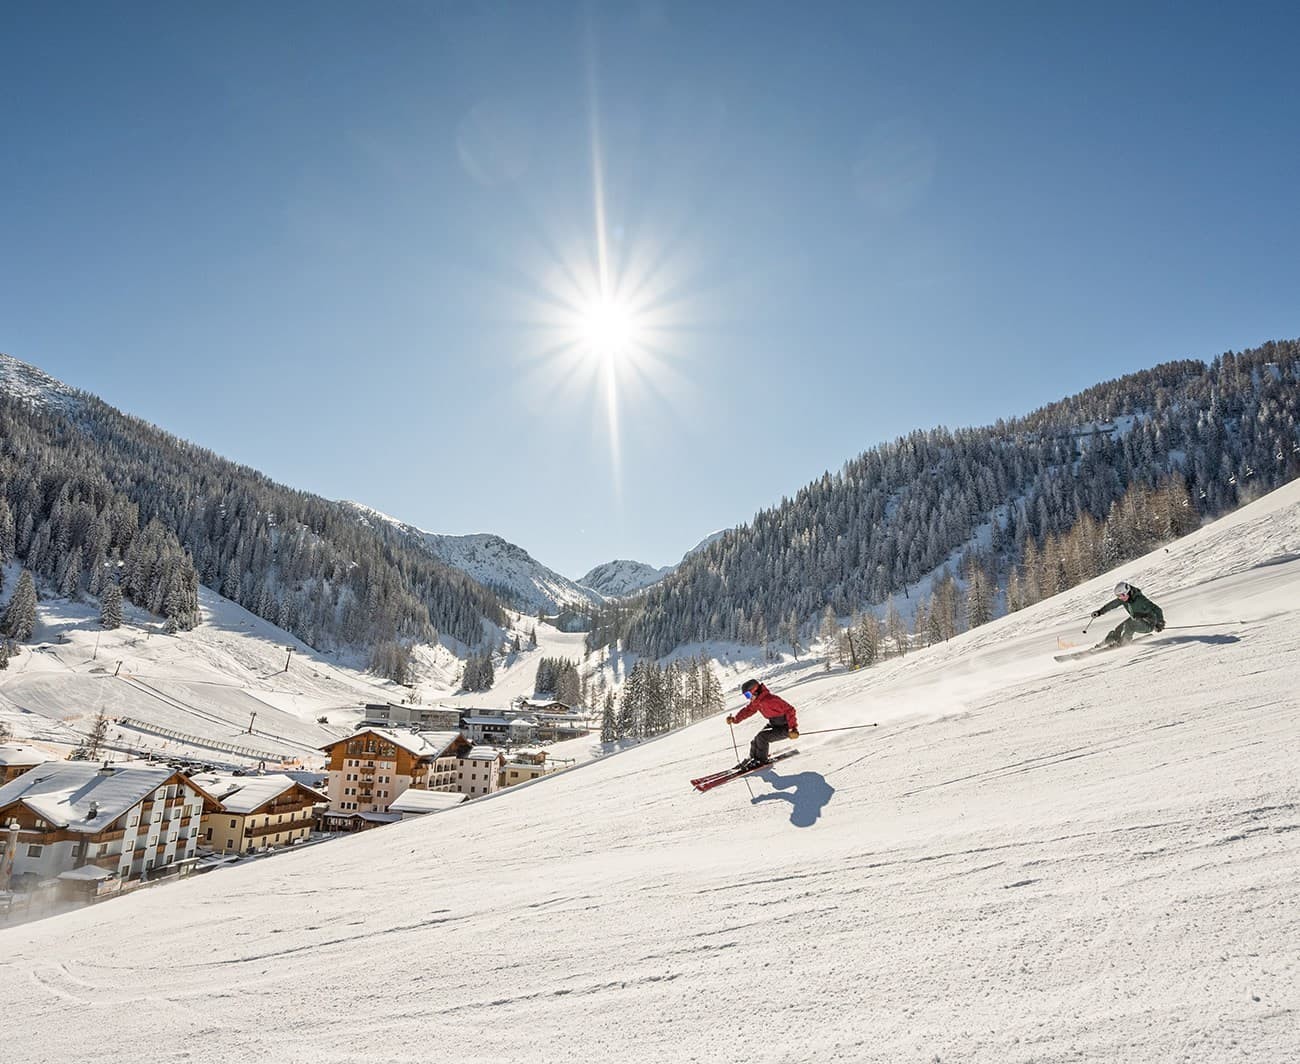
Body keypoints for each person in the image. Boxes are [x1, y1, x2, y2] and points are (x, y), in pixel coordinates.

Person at [726, 679, 800, 770]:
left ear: (755, 690)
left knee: (762, 738)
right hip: (774, 724)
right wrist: (735, 719)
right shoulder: (757, 701)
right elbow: (748, 710)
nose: (748, 698)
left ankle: (761, 761)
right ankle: (752, 758)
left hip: (785, 727)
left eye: (748, 695)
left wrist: (793, 728)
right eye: (746, 696)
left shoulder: (771, 699)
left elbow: (790, 710)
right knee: (755, 740)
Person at [1092, 581, 1165, 647]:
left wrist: (1160, 622)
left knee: (1129, 626)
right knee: (1119, 628)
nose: (1121, 597)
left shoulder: (1140, 599)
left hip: (1148, 623)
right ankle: (1106, 642)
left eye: (1122, 595)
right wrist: (1100, 612)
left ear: (1127, 591)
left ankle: (1124, 643)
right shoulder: (1124, 599)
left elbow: (1157, 609)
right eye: (1118, 596)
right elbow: (1112, 605)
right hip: (1136, 620)